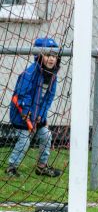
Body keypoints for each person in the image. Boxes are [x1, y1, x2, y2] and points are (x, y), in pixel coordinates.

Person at [6, 37, 62, 178]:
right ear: (39, 56)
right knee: (25, 140)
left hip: (37, 116)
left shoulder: (53, 76)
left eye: (54, 55)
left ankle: (41, 167)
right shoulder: (30, 73)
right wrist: (28, 115)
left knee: (46, 136)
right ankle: (11, 167)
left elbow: (48, 99)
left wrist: (40, 116)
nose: (51, 59)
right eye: (48, 55)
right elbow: (23, 95)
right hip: (22, 115)